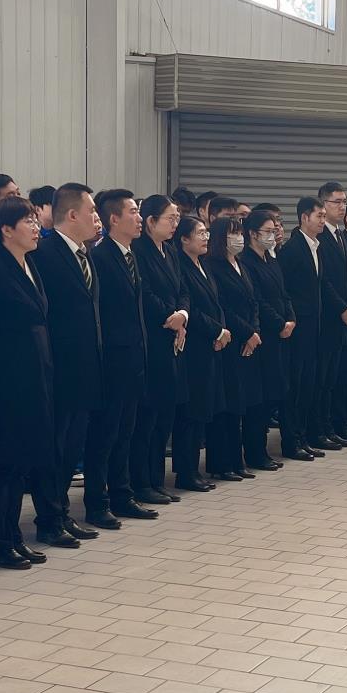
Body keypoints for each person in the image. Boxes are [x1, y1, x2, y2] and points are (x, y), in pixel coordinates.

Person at [0, 198, 54, 571]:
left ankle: (13, 535)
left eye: (36, 220)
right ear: (6, 229)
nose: (36, 227)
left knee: (20, 464)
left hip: (32, 380)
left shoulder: (29, 264)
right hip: (2, 385)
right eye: (28, 221)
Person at [31, 183, 106, 542]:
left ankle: (61, 512)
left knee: (73, 445)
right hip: (60, 369)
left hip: (86, 368)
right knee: (54, 448)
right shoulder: (45, 254)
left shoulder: (84, 253)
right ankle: (48, 519)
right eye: (92, 211)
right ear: (73, 215)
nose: (97, 218)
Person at [87, 189, 156, 523]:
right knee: (105, 435)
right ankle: (97, 502)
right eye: (133, 212)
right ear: (114, 218)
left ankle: (122, 494)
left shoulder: (131, 255)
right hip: (113, 360)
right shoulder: (100, 257)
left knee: (126, 432)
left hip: (134, 358)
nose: (139, 218)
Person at [129, 195, 188, 503]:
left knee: (165, 414)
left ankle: (156, 479)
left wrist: (183, 315)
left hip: (173, 339)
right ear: (150, 221)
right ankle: (141, 482)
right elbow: (145, 294)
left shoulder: (171, 251)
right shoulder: (139, 251)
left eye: (177, 218)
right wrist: (171, 317)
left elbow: (183, 290)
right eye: (170, 218)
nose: (175, 224)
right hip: (153, 340)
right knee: (147, 418)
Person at [173, 215, 230, 492]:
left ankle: (194, 469)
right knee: (191, 412)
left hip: (210, 345)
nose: (206, 237)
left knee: (204, 409)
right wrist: (216, 331)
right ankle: (186, 472)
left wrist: (221, 331)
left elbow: (216, 304)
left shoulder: (203, 264)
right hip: (194, 346)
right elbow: (192, 309)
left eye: (207, 232)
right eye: (200, 233)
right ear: (184, 239)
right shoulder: (181, 266)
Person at [203, 217, 260, 481]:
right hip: (228, 340)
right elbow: (223, 306)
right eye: (232, 234)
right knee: (224, 405)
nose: (239, 238)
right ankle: (221, 463)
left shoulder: (241, 264)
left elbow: (253, 301)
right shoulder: (213, 266)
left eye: (240, 233)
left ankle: (237, 461)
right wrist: (247, 332)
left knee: (239, 403)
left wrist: (254, 331)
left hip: (247, 341)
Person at [240, 207, 291, 473]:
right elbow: (257, 300)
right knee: (258, 399)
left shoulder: (271, 259)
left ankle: (261, 450)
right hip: (264, 335)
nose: (273, 235)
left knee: (273, 392)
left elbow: (283, 293)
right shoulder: (247, 261)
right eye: (268, 231)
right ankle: (255, 452)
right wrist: (279, 323)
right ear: (252, 233)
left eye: (274, 230)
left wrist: (290, 318)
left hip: (280, 335)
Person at [277, 198, 327, 459]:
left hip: (314, 326)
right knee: (295, 385)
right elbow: (285, 291)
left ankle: (303, 436)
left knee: (309, 383)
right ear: (304, 218)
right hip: (297, 328)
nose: (323, 221)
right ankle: (290, 441)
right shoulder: (292, 249)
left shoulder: (316, 246)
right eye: (319, 216)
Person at [316, 183, 347, 448]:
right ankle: (321, 428)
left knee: (339, 376)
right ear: (323, 205)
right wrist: (342, 308)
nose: (343, 206)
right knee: (324, 380)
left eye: (345, 202)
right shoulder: (319, 237)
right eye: (337, 202)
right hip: (330, 318)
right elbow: (325, 281)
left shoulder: (341, 236)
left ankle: (337, 424)